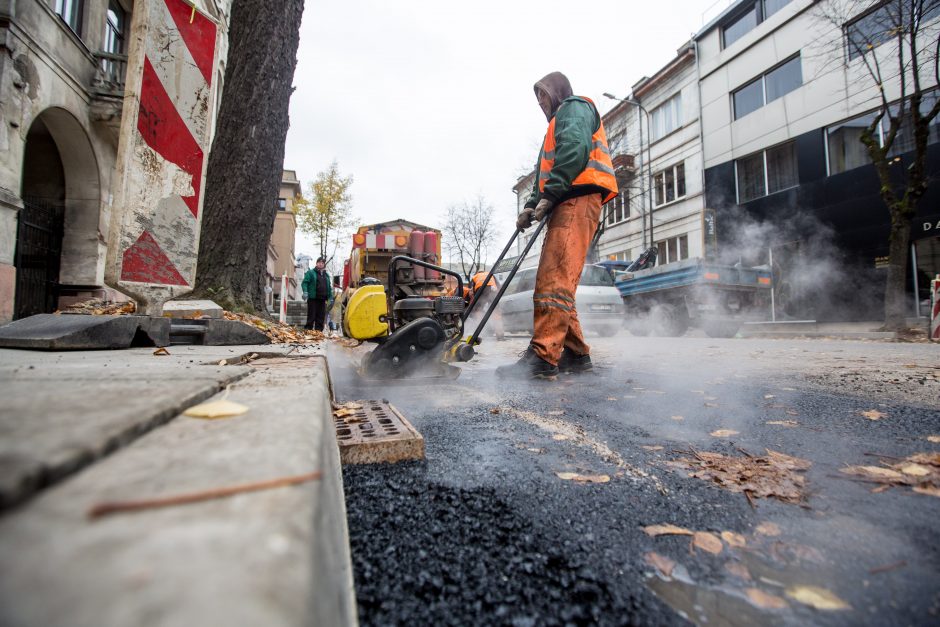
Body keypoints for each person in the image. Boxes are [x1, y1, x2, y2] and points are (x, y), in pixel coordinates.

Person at [497, 71, 618, 379]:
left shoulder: (574, 108)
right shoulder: (555, 125)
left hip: (577, 199)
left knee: (552, 281)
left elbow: (574, 150)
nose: (540, 101)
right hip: (568, 201)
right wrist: (530, 205)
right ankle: (576, 355)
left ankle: (543, 357)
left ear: (557, 91)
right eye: (536, 96)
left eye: (543, 93)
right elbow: (546, 174)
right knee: (561, 283)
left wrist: (551, 193)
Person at [468, 271, 505, 341]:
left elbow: (471, 293)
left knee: (478, 311)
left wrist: (476, 306)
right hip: (493, 290)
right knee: (496, 312)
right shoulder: (490, 274)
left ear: (477, 273)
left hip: (481, 289)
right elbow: (499, 287)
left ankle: (479, 334)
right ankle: (500, 336)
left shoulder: (475, 277)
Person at [301, 257, 334, 331]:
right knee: (311, 317)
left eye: (322, 263)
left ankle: (318, 333)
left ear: (324, 265)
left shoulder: (326, 276)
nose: (321, 264)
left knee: (320, 318)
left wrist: (330, 298)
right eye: (319, 262)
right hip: (313, 299)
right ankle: (308, 331)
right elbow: (305, 283)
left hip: (322, 300)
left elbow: (329, 287)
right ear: (316, 263)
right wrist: (305, 291)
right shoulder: (311, 273)